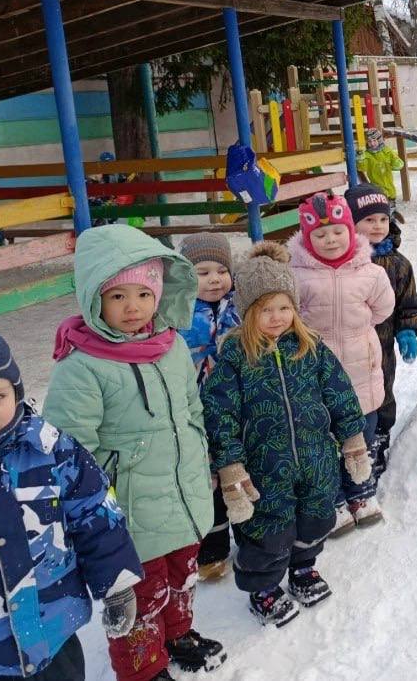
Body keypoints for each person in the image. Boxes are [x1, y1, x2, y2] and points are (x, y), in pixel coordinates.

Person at [42, 225, 221, 681]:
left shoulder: (172, 346)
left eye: (143, 293)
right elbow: (69, 449)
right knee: (139, 594)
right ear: (93, 297)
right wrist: (111, 487)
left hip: (182, 494)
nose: (133, 307)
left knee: (181, 574)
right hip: (127, 510)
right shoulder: (82, 366)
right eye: (117, 296)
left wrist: (200, 456)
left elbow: (192, 408)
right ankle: (144, 668)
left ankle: (178, 634)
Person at [0, 324, 144, 681]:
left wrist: (117, 585)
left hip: (53, 636)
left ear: (17, 392)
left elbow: (96, 514)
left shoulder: (50, 450)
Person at [202, 242, 370, 628]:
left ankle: (303, 568)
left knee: (314, 518)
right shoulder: (234, 357)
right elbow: (220, 414)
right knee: (267, 530)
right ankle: (263, 588)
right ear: (247, 313)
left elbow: (340, 392)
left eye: (284, 307)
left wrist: (352, 439)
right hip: (264, 468)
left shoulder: (310, 347)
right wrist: (229, 465)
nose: (277, 318)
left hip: (316, 460)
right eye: (265, 309)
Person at [287, 192, 394, 529]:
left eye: (337, 232)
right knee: (326, 438)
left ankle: (361, 492)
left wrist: (359, 330)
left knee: (362, 429)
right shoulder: (297, 275)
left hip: (361, 368)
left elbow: (383, 308)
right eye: (319, 235)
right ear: (307, 239)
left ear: (350, 231)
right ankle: (334, 500)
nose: (329, 240)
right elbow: (291, 316)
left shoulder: (371, 272)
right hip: (317, 371)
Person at [346, 183, 417, 488]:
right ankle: (351, 445)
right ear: (351, 225)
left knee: (383, 391)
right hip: (348, 346)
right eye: (368, 220)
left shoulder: (399, 265)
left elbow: (408, 303)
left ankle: (378, 441)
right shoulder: (346, 263)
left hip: (383, 344)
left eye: (382, 219)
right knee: (350, 396)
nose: (377, 226)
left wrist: (407, 331)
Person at [176, 234, 242, 583]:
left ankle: (250, 535)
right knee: (208, 480)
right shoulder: (176, 314)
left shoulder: (240, 307)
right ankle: (212, 551)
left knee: (240, 471)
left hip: (237, 407)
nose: (214, 279)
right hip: (197, 411)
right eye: (202, 272)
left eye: (221, 270)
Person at [357, 129, 404, 208]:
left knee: (391, 204)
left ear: (379, 140)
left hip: (389, 187)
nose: (372, 144)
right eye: (369, 141)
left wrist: (396, 162)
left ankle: (391, 216)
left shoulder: (387, 151)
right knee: (383, 207)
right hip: (377, 188)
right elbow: (362, 168)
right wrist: (360, 159)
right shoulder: (367, 155)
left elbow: (398, 164)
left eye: (374, 140)